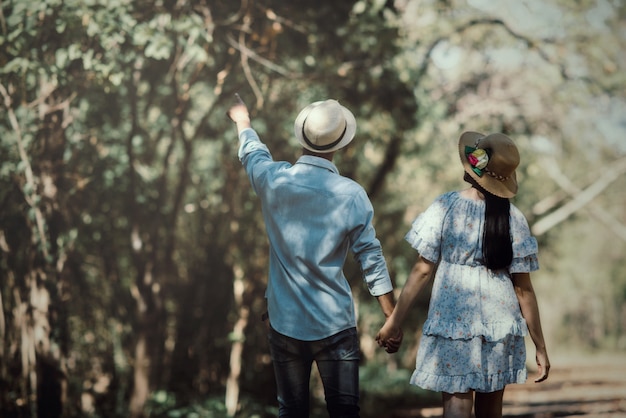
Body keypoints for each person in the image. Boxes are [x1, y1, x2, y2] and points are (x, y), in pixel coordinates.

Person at [227, 94, 402, 418]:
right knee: (345, 412)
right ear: (339, 144)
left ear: (303, 137)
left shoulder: (274, 180)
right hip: (334, 324)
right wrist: (391, 318)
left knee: (290, 412)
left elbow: (253, 153)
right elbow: (371, 259)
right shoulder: (351, 194)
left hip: (284, 322)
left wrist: (242, 121)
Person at [376, 131, 550, 418]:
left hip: (452, 317)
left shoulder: (446, 206)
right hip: (499, 321)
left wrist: (394, 321)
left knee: (456, 406)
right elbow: (524, 291)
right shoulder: (514, 219)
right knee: (491, 410)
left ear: (473, 168)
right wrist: (540, 347)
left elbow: (422, 269)